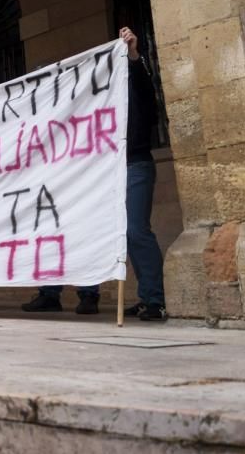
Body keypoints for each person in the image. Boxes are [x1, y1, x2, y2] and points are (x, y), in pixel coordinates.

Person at [22, 27, 167, 321]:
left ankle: (153, 300)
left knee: (136, 230)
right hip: (93, 170)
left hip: (133, 165)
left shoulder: (132, 85)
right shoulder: (76, 100)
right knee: (81, 227)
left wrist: (134, 56)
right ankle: (74, 293)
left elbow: (148, 102)